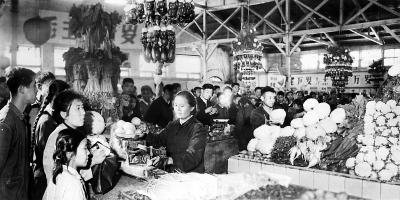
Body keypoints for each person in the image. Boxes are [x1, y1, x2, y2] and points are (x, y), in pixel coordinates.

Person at [146, 91, 208, 173]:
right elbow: (159, 141)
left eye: (182, 106)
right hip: (172, 172)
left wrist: (169, 160)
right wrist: (146, 132)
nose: (178, 109)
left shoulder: (197, 128)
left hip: (190, 175)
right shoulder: (172, 125)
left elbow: (192, 157)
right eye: (175, 105)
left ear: (192, 107)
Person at [0, 67, 37, 200]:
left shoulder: (19, 118)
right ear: (21, 89)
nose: (37, 90)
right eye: (34, 85)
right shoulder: (6, 122)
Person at [31, 80, 70, 200]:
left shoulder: (53, 118)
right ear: (57, 98)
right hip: (43, 180)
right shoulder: (47, 122)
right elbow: (48, 156)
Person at [42, 129, 89, 200]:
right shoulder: (73, 184)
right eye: (85, 148)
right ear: (70, 153)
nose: (89, 153)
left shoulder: (58, 174)